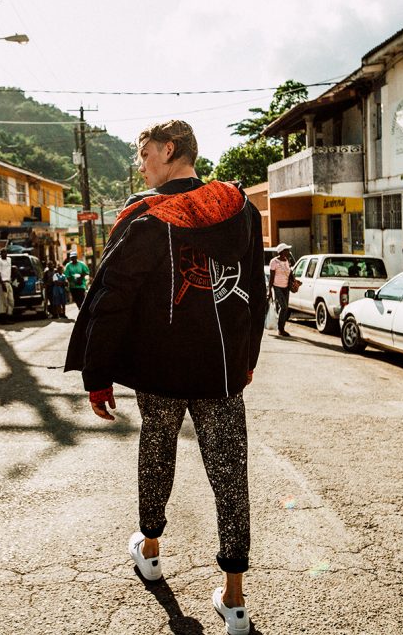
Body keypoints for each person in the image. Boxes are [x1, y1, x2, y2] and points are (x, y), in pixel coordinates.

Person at [65, 119, 266, 635]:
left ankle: (150, 550)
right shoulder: (240, 209)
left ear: (169, 150)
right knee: (231, 476)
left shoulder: (148, 217)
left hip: (160, 369)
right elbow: (256, 292)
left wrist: (97, 374)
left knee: (156, 455)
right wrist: (247, 359)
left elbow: (113, 298)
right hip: (222, 371)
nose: (140, 164)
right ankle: (235, 600)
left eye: (144, 153)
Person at [268, 242, 293, 337]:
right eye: (287, 250)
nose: (289, 252)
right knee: (284, 307)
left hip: (286, 287)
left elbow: (290, 273)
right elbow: (271, 277)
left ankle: (281, 327)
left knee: (285, 308)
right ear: (282, 251)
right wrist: (269, 290)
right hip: (277, 287)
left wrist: (294, 280)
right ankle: (280, 329)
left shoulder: (287, 260)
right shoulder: (274, 262)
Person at [0, 249, 14, 322]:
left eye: (5, 252)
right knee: (3, 301)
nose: (4, 254)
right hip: (1, 282)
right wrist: (2, 284)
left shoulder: (9, 260)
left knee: (11, 300)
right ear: (1, 254)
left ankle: (9, 315)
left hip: (8, 281)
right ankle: (3, 319)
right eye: (3, 253)